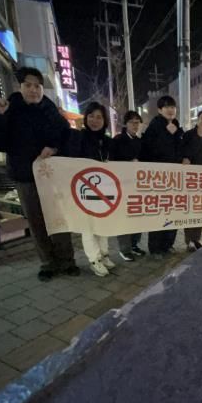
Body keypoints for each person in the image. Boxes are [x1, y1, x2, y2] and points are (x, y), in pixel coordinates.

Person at [0, 67, 77, 282]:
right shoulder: (9, 109)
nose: (33, 90)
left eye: (37, 86)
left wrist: (54, 147)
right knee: (36, 222)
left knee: (60, 220)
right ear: (20, 87)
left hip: (53, 177)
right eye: (28, 85)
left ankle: (67, 261)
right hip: (25, 177)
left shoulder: (51, 110)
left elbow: (67, 137)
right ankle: (48, 263)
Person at [66, 102, 117, 277]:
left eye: (99, 117)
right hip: (84, 191)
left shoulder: (108, 141)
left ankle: (104, 254)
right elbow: (71, 160)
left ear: (105, 120)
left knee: (103, 224)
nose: (95, 120)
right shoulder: (78, 137)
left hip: (105, 190)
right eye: (91, 116)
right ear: (86, 118)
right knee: (87, 226)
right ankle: (94, 260)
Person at [140, 95, 184, 259]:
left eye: (173, 107)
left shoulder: (177, 127)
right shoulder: (154, 127)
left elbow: (181, 149)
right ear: (159, 110)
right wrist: (167, 134)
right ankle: (155, 248)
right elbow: (149, 150)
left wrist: (175, 134)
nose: (170, 110)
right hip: (158, 178)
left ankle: (168, 244)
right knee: (159, 213)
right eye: (166, 107)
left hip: (175, 178)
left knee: (173, 211)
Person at [110, 110, 146, 261]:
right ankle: (124, 249)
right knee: (124, 217)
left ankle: (134, 244)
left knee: (137, 216)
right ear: (126, 124)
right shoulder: (117, 140)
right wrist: (128, 163)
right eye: (132, 122)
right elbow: (111, 162)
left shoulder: (140, 141)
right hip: (122, 185)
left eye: (137, 122)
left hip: (138, 185)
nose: (135, 125)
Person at [181, 109, 202, 252]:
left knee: (200, 209)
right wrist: (185, 158)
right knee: (189, 209)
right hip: (190, 178)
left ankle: (197, 239)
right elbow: (183, 151)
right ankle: (189, 240)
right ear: (198, 119)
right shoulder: (188, 135)